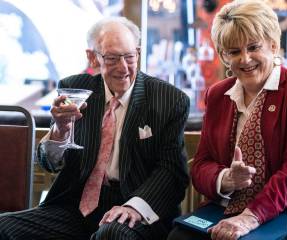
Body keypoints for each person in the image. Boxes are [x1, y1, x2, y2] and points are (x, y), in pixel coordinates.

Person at [0, 16, 190, 240]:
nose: (123, 68)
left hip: (132, 207)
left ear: (138, 52)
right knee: (4, 226)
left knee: (111, 235)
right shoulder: (74, 89)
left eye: (129, 56)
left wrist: (135, 207)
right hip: (74, 206)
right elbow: (49, 163)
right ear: (92, 58)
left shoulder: (168, 99)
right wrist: (60, 132)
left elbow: (171, 171)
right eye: (112, 58)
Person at [167, 1, 287, 240]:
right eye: (234, 52)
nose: (245, 59)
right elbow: (201, 165)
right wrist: (226, 178)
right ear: (224, 56)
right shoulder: (217, 95)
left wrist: (250, 217)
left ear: (273, 45)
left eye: (253, 47)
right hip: (223, 210)